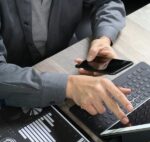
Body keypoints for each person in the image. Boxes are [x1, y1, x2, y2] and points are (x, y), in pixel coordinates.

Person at [0, 0, 133, 124]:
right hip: (15, 81)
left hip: (65, 61)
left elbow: (108, 2)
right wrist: (69, 86)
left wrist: (103, 38)